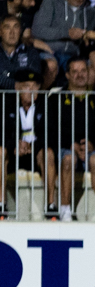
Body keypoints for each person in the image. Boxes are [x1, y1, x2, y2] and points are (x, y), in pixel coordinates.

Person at [50, 56, 95, 221]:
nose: (80, 75)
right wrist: (71, 145)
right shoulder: (56, 99)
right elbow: (52, 129)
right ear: (68, 75)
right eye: (75, 72)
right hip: (66, 146)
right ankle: (65, 210)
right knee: (68, 159)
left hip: (91, 147)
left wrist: (93, 144)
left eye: (83, 70)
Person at [0, 70, 53, 218]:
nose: (30, 90)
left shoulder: (46, 104)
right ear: (17, 87)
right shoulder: (6, 103)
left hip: (36, 153)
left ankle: (51, 205)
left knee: (48, 153)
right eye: (26, 86)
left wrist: (31, 147)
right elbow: (2, 132)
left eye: (34, 86)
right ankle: (1, 204)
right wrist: (14, 145)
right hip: (13, 153)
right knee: (0, 153)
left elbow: (51, 133)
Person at [31, 0, 95, 73]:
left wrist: (88, 37)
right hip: (49, 52)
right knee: (50, 65)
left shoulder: (90, 11)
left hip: (74, 55)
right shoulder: (51, 2)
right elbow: (37, 30)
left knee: (91, 71)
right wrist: (67, 33)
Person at [0, 13, 41, 88]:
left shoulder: (31, 53)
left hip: (25, 96)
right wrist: (15, 85)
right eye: (7, 27)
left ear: (20, 31)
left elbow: (34, 76)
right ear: (0, 32)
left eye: (16, 27)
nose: (12, 32)